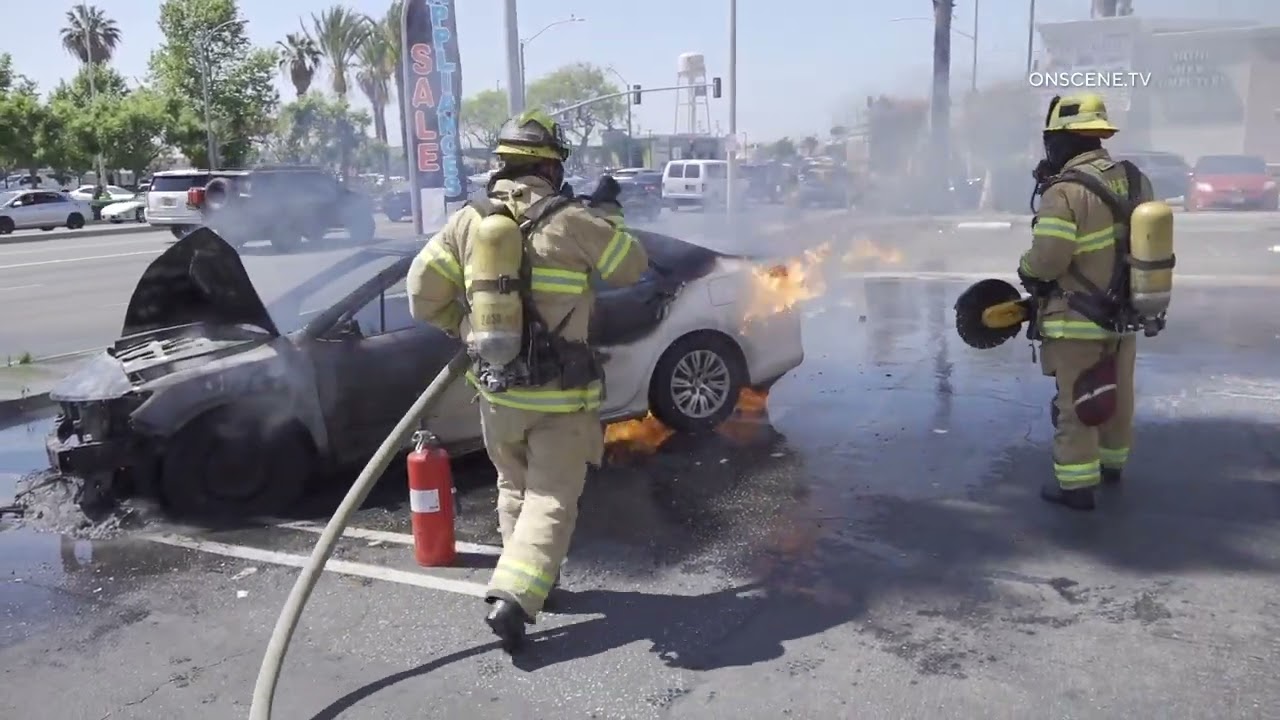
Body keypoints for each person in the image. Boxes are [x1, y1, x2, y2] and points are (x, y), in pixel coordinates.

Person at [405, 109, 649, 651]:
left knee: (514, 486)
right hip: (561, 397)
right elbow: (631, 266)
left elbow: (421, 295)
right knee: (552, 498)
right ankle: (513, 597)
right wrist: (611, 212)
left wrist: (467, 328)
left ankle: (539, 582)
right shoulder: (572, 220)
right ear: (551, 168)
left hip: (497, 389)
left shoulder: (469, 222)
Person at [1016, 93, 1154, 512]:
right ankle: (1112, 465)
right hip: (1125, 312)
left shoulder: (1065, 193)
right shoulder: (1134, 179)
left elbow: (1049, 259)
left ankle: (1076, 487)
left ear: (1063, 141)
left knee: (1076, 401)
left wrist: (1026, 269)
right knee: (1118, 393)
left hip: (1077, 318)